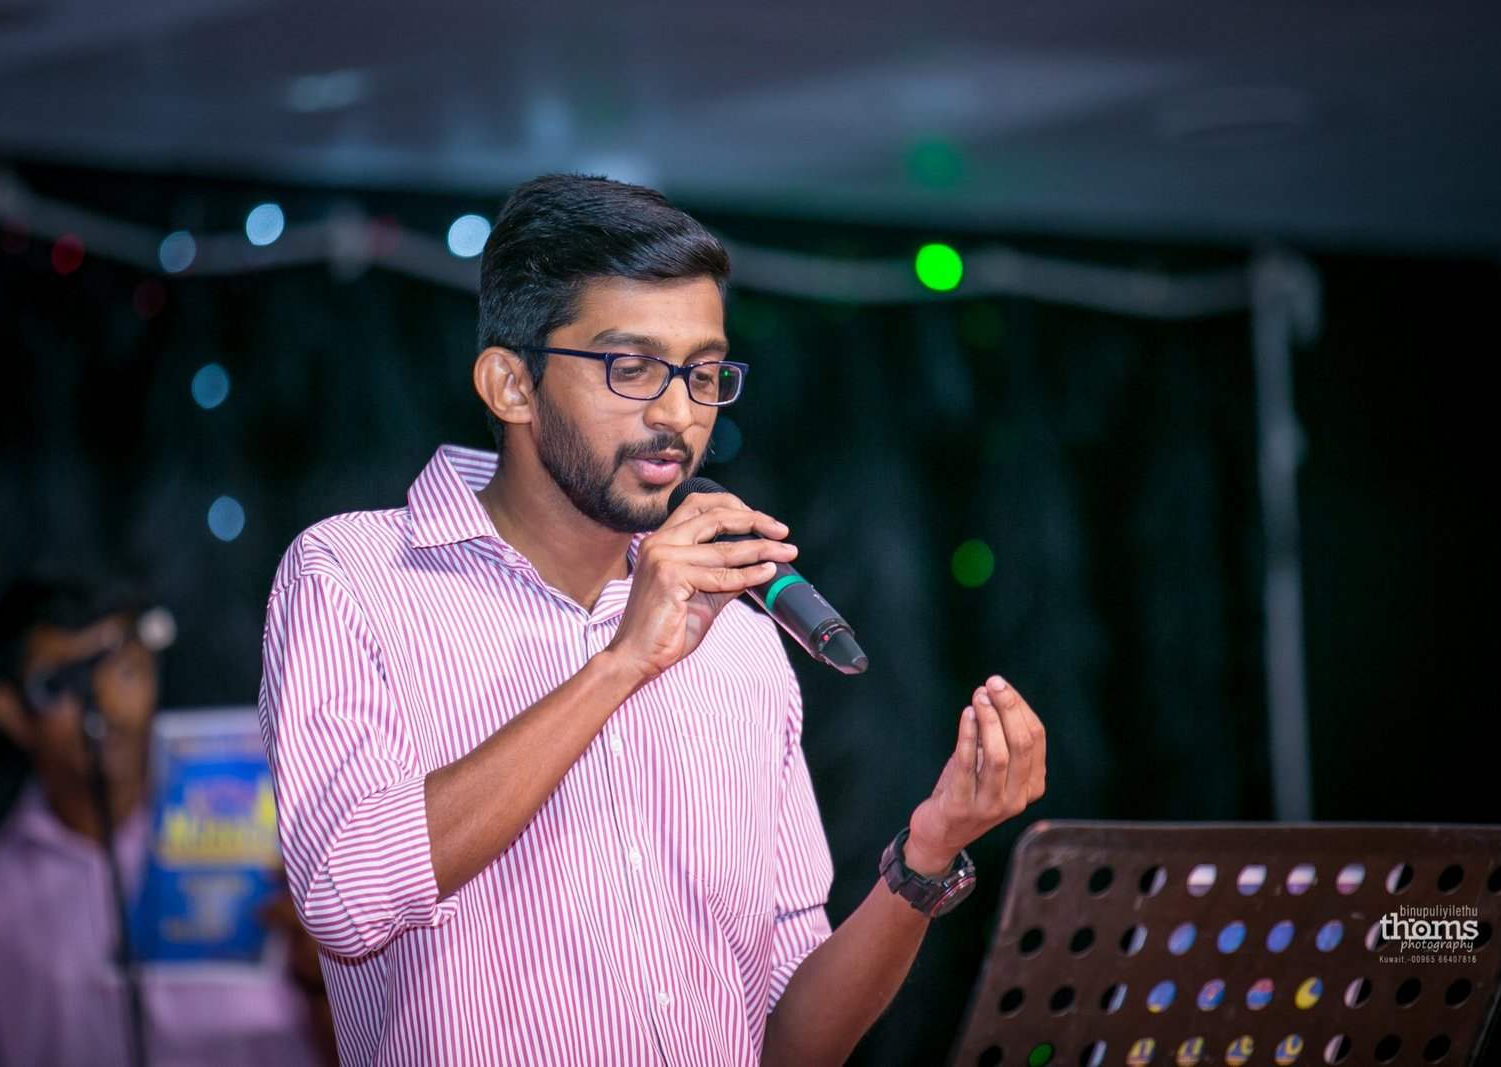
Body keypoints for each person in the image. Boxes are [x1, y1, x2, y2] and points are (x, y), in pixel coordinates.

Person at [257, 173, 1047, 1065]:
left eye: (703, 374)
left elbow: (790, 1044)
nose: (678, 414)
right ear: (511, 385)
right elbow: (344, 900)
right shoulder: (354, 575)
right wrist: (621, 661)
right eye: (629, 368)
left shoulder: (738, 639)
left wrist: (928, 853)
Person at [0, 572, 329, 1067]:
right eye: (60, 684)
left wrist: (328, 977)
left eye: (127, 670)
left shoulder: (270, 826)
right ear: (9, 711)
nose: (105, 704)